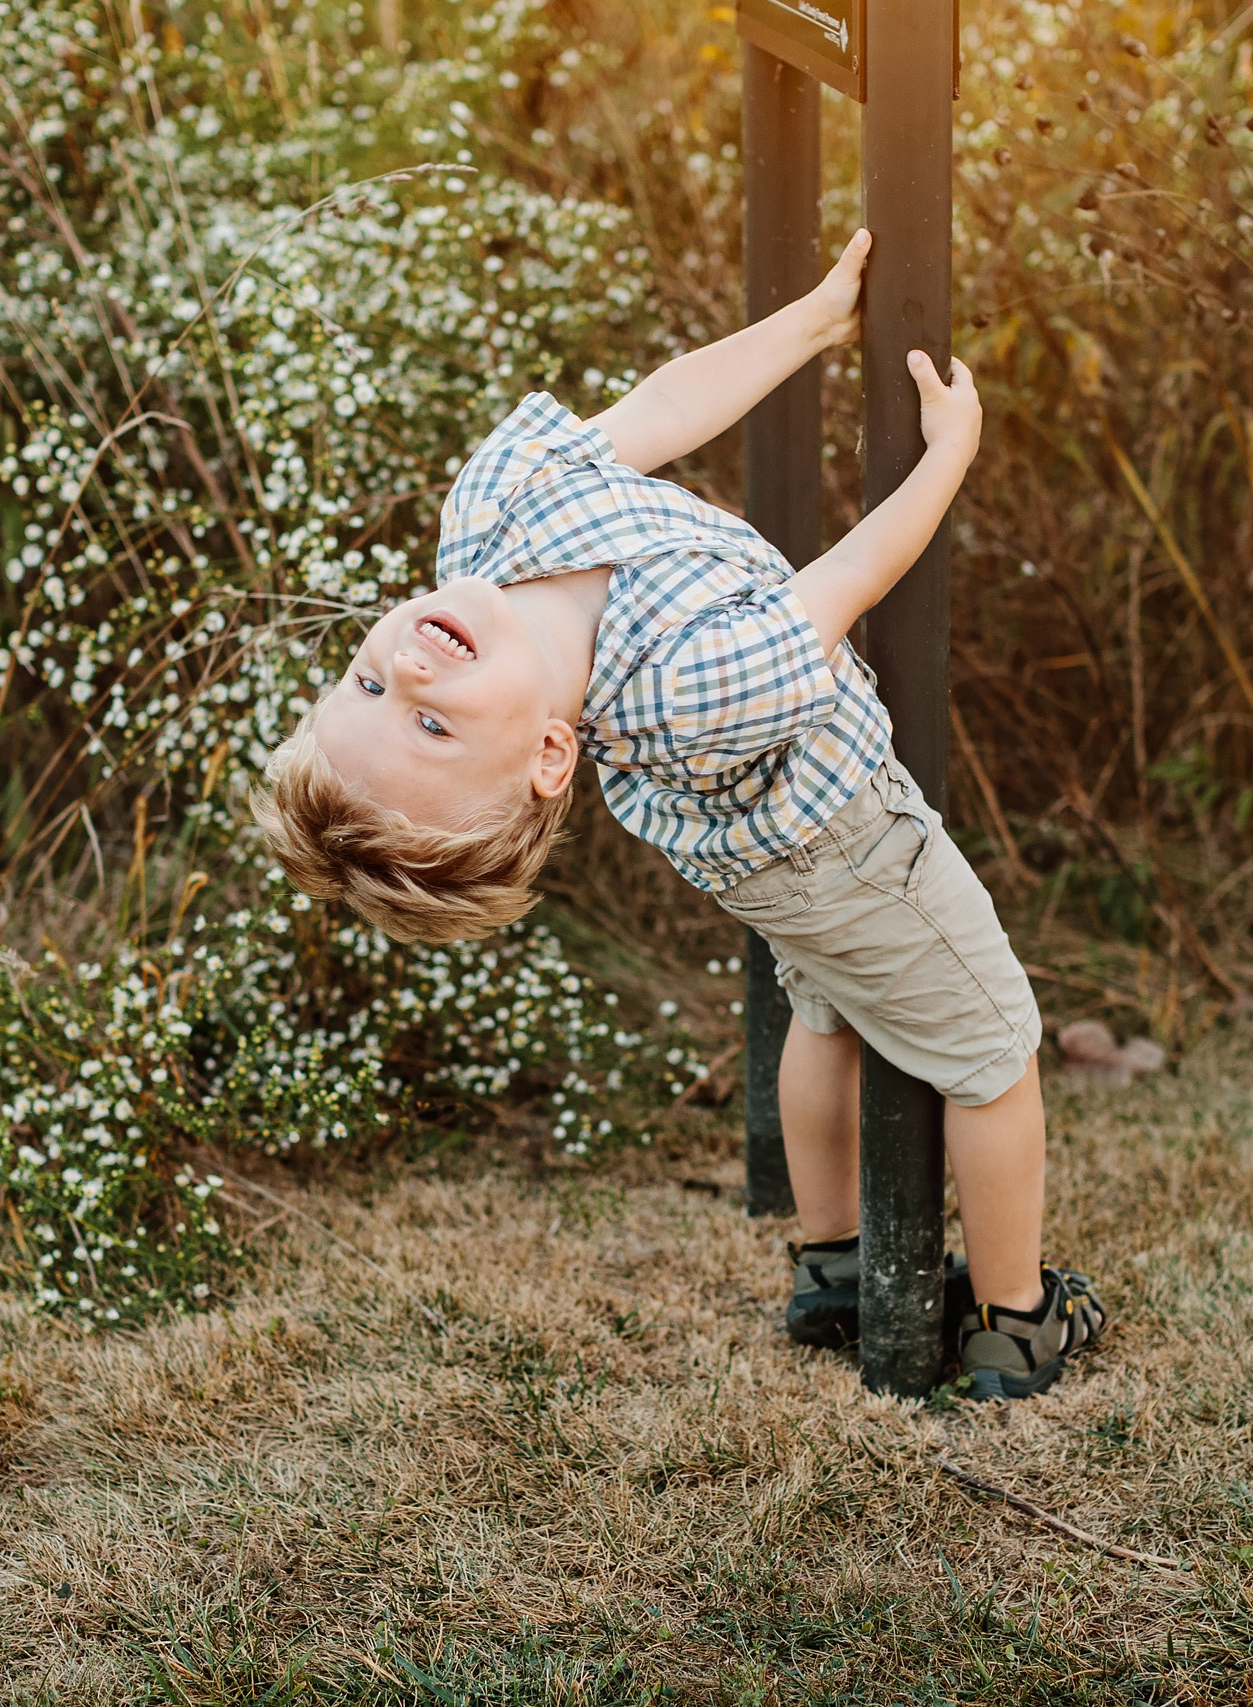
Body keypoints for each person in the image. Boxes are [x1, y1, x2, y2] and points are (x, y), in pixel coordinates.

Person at [252, 230, 1105, 1398]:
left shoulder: (488, 518)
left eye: (367, 687)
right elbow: (846, 582)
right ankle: (1016, 1322)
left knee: (830, 1011)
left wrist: (812, 322)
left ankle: (834, 1268)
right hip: (851, 841)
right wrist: (945, 458)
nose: (406, 674)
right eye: (433, 727)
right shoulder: (680, 687)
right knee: (991, 1053)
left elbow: (651, 414)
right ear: (554, 754)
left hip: (766, 858)